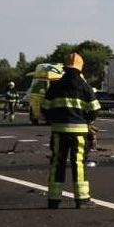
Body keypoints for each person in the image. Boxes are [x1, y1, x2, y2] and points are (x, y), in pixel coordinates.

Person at [41, 53, 101, 209]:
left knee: (57, 163)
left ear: (65, 68)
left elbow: (45, 108)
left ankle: (53, 199)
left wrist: (54, 119)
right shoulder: (84, 86)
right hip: (79, 132)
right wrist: (86, 120)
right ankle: (82, 199)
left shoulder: (55, 85)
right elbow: (95, 109)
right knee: (78, 163)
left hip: (59, 131)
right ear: (80, 69)